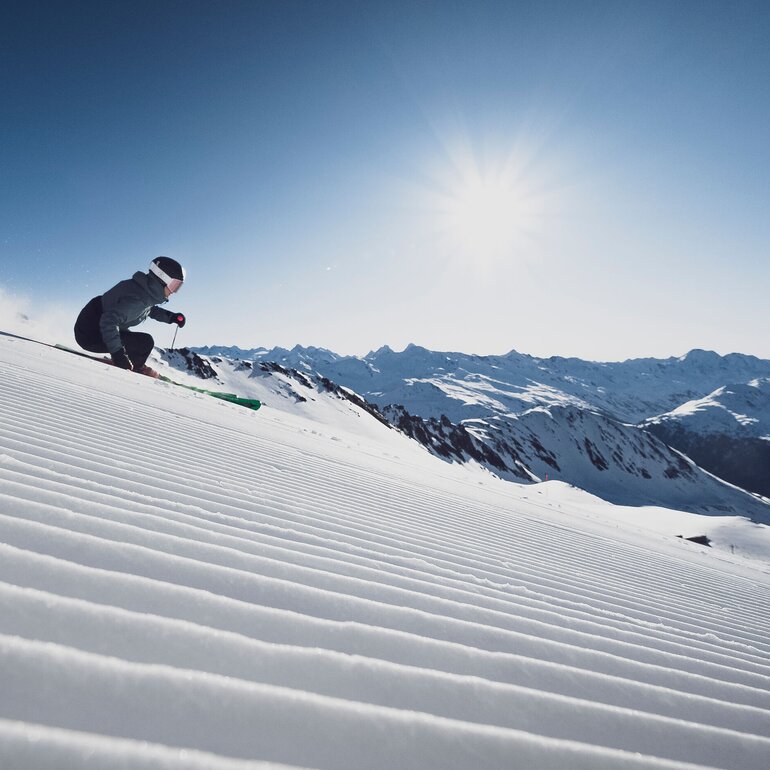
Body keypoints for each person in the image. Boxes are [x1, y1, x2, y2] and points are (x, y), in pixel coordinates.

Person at [74, 256, 187, 377]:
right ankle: (135, 367)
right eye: (175, 285)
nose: (174, 291)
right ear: (162, 278)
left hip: (94, 324)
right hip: (89, 334)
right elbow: (108, 321)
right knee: (144, 342)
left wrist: (171, 317)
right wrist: (118, 354)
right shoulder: (139, 299)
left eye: (178, 287)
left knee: (142, 342)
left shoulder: (144, 292)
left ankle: (134, 363)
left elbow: (149, 310)